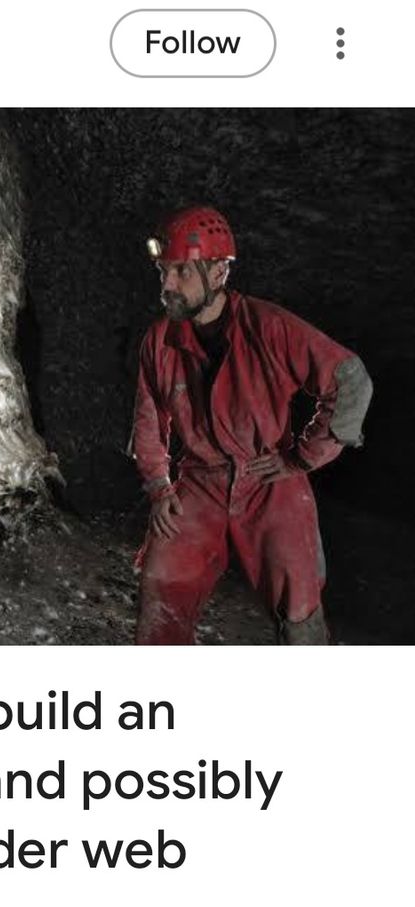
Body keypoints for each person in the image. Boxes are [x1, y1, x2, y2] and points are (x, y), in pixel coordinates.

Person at [129, 206, 373, 644]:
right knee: (161, 586)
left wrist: (303, 457)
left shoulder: (269, 326)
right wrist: (158, 487)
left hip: (267, 479)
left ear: (219, 272)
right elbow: (149, 421)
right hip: (199, 481)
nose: (166, 285)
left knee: (299, 610)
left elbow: (349, 379)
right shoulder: (160, 340)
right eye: (163, 272)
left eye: (181, 271)